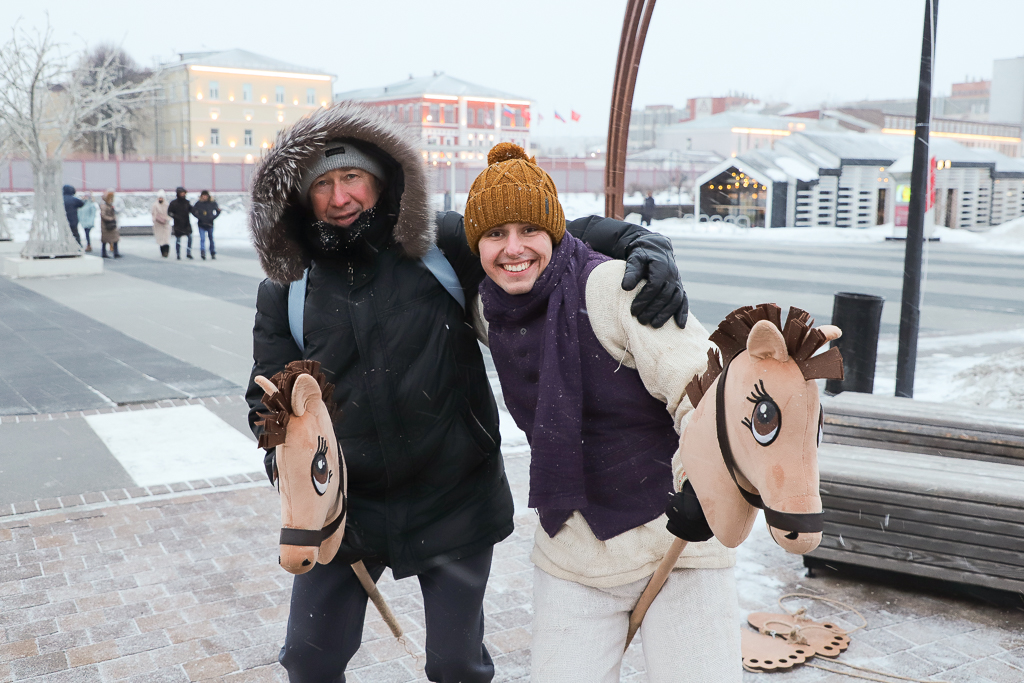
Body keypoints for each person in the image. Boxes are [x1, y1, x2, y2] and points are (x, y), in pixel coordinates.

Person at [245, 102, 689, 683]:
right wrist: (291, 469)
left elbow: (541, 235)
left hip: (451, 497)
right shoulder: (287, 288)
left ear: (379, 179)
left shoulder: (438, 243)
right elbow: (266, 396)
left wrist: (638, 241)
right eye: (323, 184)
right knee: (309, 660)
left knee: (455, 665)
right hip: (344, 507)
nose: (340, 196)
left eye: (351, 176)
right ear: (304, 197)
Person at [466, 144, 740, 683]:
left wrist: (701, 489)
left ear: (556, 233)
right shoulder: (488, 309)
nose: (512, 248)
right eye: (495, 234)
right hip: (576, 550)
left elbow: (703, 387)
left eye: (529, 230)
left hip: (676, 535)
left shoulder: (616, 288)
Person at [191, 190, 220, 260]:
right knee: (202, 239)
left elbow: (218, 211)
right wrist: (199, 217)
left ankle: (212, 252)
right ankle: (203, 252)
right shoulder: (198, 203)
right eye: (203, 196)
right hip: (201, 224)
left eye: (206, 196)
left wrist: (213, 217)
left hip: (210, 223)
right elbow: (193, 211)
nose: (204, 197)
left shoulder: (212, 203)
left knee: (211, 239)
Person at [167, 186, 193, 260]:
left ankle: (188, 252)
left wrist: (198, 213)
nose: (182, 194)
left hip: (186, 223)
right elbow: (169, 212)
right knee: (178, 240)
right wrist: (175, 216)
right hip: (178, 224)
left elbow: (192, 210)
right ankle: (178, 254)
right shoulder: (173, 203)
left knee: (190, 237)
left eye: (183, 193)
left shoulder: (187, 202)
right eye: (181, 193)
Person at [99, 189, 121, 258]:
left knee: (115, 239)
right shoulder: (104, 206)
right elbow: (103, 215)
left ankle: (115, 252)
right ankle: (105, 253)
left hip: (111, 225)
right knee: (105, 240)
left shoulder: (109, 205)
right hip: (107, 225)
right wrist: (111, 218)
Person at [151, 190, 171, 258]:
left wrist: (166, 219)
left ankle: (166, 252)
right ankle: (163, 252)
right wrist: (156, 219)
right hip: (158, 224)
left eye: (161, 198)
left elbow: (169, 214)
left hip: (166, 224)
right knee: (160, 239)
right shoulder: (155, 205)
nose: (160, 199)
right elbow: (153, 214)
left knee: (166, 239)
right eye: (159, 198)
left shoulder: (167, 205)